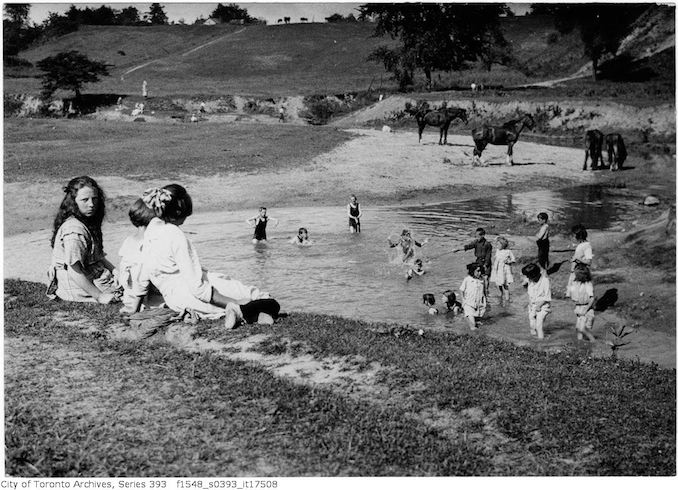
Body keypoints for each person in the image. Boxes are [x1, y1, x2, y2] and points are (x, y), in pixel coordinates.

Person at [129, 185, 281, 329]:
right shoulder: (175, 235)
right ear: (177, 213)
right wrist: (233, 302)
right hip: (193, 297)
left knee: (238, 292)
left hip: (175, 301)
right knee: (267, 300)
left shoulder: (150, 231)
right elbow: (197, 288)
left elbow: (141, 277)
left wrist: (134, 311)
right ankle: (240, 310)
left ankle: (250, 314)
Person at [47, 176, 120, 303]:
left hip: (93, 277)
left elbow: (98, 256)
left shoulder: (85, 221)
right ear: (74, 202)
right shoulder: (74, 230)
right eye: (85, 200)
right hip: (78, 287)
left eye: (95, 199)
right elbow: (74, 270)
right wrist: (100, 296)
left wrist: (116, 271)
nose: (91, 204)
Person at [118, 199, 164, 313]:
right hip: (145, 298)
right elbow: (144, 277)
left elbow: (123, 271)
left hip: (130, 294)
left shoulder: (128, 241)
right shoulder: (150, 243)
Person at [453, 227, 492, 292]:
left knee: (486, 277)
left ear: (482, 235)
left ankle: (486, 291)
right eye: (476, 236)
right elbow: (468, 246)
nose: (477, 238)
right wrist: (458, 249)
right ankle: (479, 289)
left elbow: (488, 256)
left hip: (486, 262)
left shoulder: (488, 244)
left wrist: (486, 264)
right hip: (478, 261)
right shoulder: (476, 242)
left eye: (478, 236)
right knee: (478, 276)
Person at [567, 264, 596, 342]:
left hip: (586, 309)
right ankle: (580, 343)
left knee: (583, 329)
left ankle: (593, 342)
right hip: (579, 308)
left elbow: (592, 298)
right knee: (578, 328)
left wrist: (585, 310)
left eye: (576, 274)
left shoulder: (588, 284)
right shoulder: (577, 283)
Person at [522, 263, 551, 339]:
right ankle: (533, 339)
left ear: (534, 275)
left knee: (538, 326)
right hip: (532, 305)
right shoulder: (530, 281)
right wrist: (529, 302)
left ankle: (541, 343)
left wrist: (539, 305)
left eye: (528, 276)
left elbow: (547, 296)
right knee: (532, 325)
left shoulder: (545, 281)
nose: (527, 278)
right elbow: (529, 293)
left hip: (543, 306)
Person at [566, 225, 593, 296]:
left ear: (579, 236)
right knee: (574, 294)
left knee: (580, 293)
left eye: (574, 236)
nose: (572, 238)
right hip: (575, 272)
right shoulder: (580, 245)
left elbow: (589, 262)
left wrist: (578, 259)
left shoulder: (587, 246)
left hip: (581, 273)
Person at [459, 262, 487, 331]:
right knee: (473, 326)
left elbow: (484, 291)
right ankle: (469, 321)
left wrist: (485, 300)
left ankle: (472, 319)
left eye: (480, 271)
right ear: (472, 271)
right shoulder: (467, 279)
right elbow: (461, 290)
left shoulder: (482, 280)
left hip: (478, 303)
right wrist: (463, 300)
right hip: (469, 303)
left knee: (478, 318)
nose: (479, 273)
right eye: (477, 271)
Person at [490, 236, 516, 304]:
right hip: (498, 269)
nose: (497, 246)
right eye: (496, 244)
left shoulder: (508, 251)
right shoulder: (497, 250)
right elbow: (495, 258)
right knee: (498, 283)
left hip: (504, 270)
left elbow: (513, 259)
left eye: (498, 244)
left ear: (503, 245)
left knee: (505, 284)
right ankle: (501, 294)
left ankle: (507, 298)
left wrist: (509, 262)